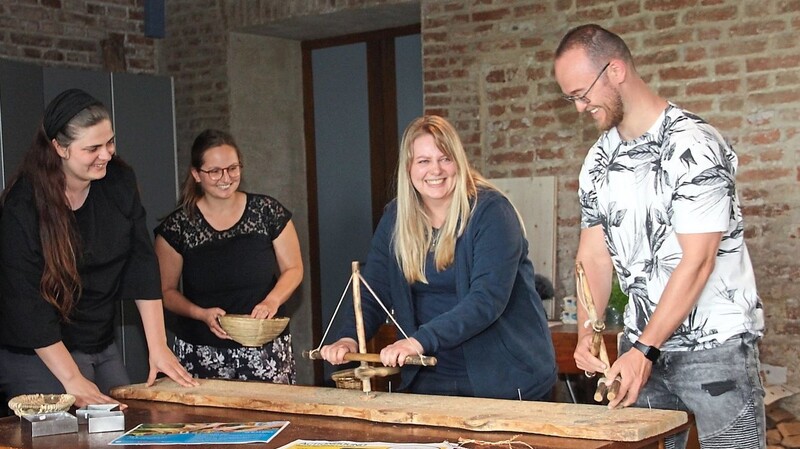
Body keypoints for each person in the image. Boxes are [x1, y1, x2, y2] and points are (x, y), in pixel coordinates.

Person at [554, 24, 765, 448]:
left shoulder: (695, 144)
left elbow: (698, 260)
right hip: (638, 350)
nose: (579, 107)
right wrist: (588, 333)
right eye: (570, 98)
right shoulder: (598, 159)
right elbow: (593, 258)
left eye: (582, 93)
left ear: (615, 70)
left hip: (713, 350)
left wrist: (644, 351)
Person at [319, 115, 556, 400]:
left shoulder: (491, 212)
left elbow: (486, 300)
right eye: (423, 161)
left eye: (445, 159)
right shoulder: (396, 217)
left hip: (502, 378)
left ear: (459, 162)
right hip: (427, 377)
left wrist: (419, 341)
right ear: (409, 168)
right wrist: (349, 337)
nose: (436, 170)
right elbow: (373, 289)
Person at [0, 88, 198, 409]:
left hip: (99, 341)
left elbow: (141, 262)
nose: (106, 155)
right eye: (92, 148)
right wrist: (72, 378)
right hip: (39, 351)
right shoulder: (23, 205)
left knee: (129, 425)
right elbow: (26, 306)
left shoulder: (118, 181)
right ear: (59, 148)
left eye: (110, 142)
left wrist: (158, 346)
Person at [154, 129, 302, 383]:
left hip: (264, 349)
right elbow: (165, 292)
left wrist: (272, 302)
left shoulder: (267, 212)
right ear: (196, 174)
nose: (226, 177)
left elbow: (294, 269)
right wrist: (201, 314)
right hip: (200, 350)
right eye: (215, 171)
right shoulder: (177, 226)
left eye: (233, 168)